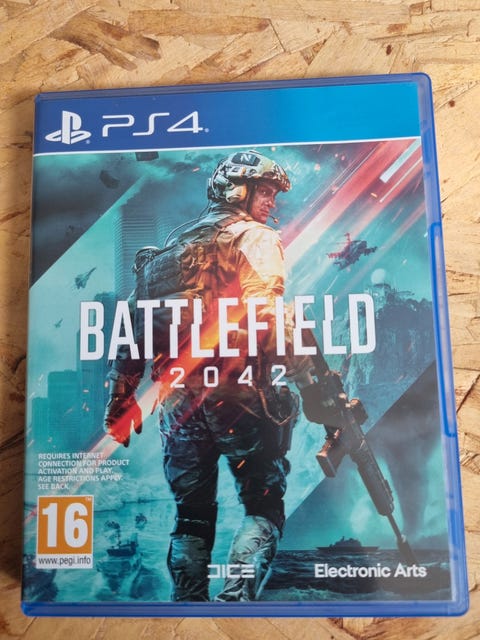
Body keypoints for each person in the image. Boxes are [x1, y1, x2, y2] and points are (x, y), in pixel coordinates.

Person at [104, 150, 312, 602]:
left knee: (191, 516)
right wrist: (311, 386)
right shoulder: (255, 238)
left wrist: (120, 399)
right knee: (263, 507)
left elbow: (134, 331)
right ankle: (236, 601)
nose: (272, 202)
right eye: (265, 191)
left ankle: (188, 603)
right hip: (241, 395)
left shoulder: (162, 254)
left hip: (177, 405)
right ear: (237, 190)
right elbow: (269, 319)